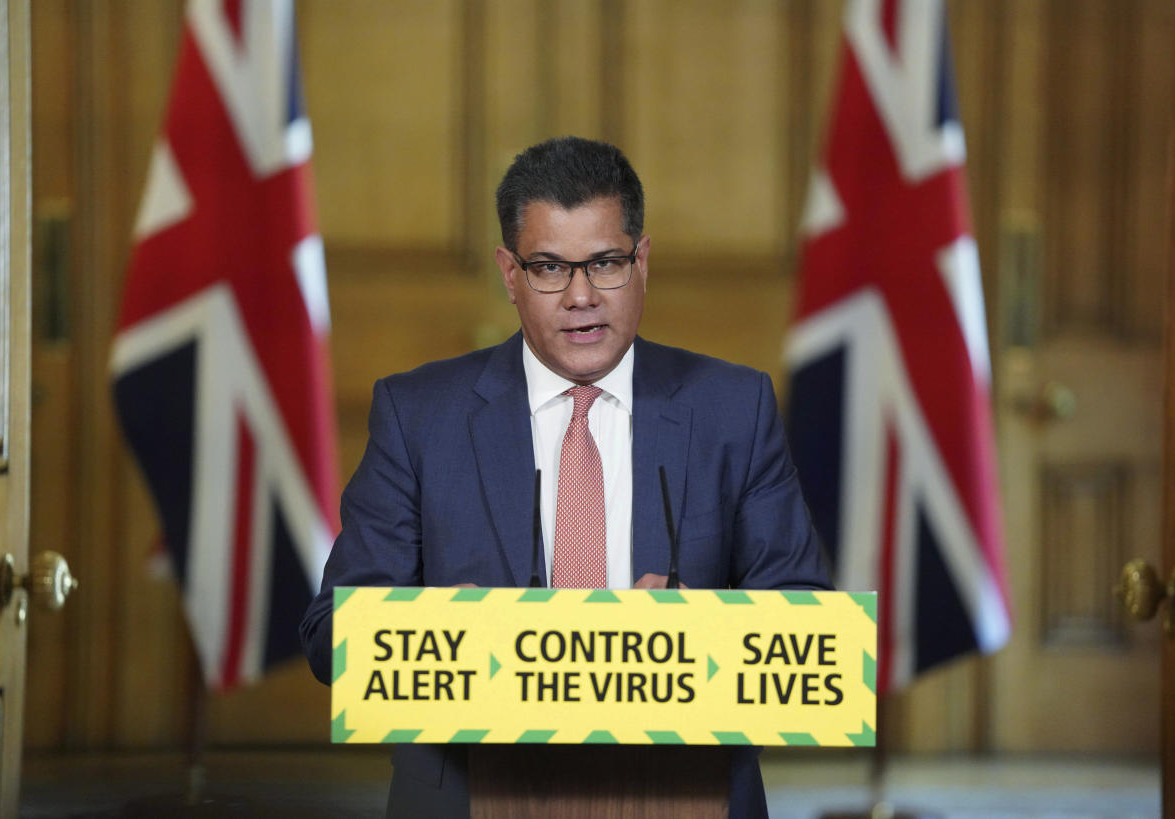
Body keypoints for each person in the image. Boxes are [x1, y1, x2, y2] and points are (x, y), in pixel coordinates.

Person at [300, 136, 831, 818]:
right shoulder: (419, 416)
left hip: (681, 791)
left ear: (642, 262)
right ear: (509, 273)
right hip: (468, 794)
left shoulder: (733, 408)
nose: (581, 295)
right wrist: (439, 634)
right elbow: (328, 634)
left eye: (605, 263)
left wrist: (695, 635)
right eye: (550, 267)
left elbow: (807, 635)